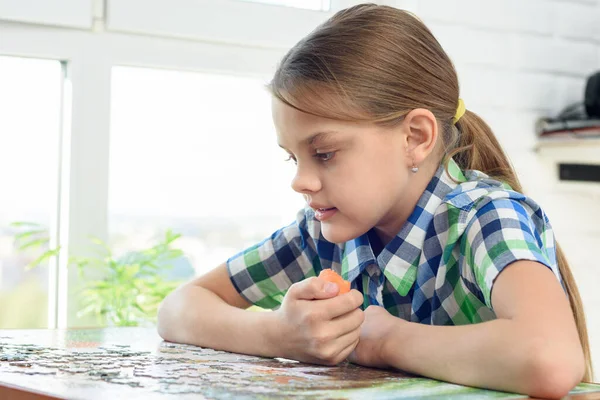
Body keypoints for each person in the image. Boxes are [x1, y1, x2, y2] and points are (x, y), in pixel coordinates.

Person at [157, 4, 592, 398]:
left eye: (324, 153)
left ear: (415, 137)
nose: (300, 180)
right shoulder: (320, 232)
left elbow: (550, 359)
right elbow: (178, 308)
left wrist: (383, 340)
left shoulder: (486, 216)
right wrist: (278, 335)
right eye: (294, 157)